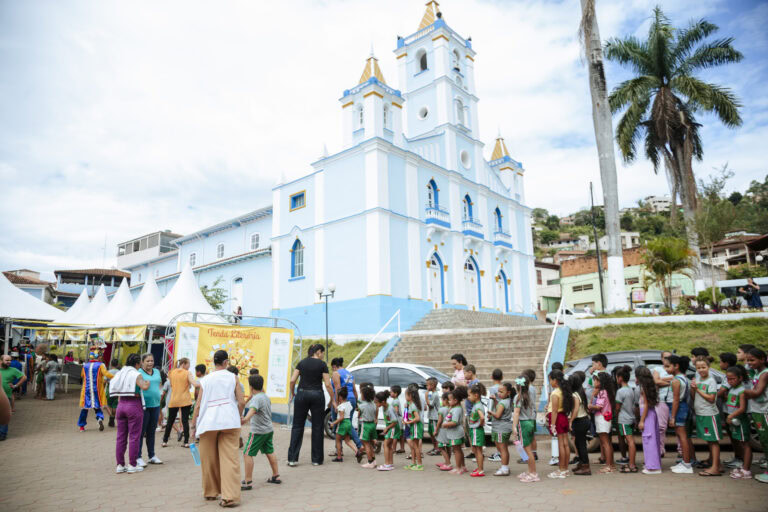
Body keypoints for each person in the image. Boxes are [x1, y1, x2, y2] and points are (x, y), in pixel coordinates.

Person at [191, 349, 245, 507]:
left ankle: (210, 492)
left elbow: (198, 405)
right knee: (230, 459)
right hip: (229, 420)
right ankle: (229, 497)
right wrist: (239, 415)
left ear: (214, 363)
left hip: (208, 422)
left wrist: (193, 426)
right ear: (226, 362)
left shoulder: (206, 380)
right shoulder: (233, 377)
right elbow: (241, 401)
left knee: (208, 459)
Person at [287, 344, 336, 467]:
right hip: (317, 395)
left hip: (302, 394)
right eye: (322, 353)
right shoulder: (322, 364)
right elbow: (328, 384)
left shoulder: (301, 363)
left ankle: (292, 459)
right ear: (318, 352)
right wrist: (332, 398)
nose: (323, 356)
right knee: (317, 427)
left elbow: (292, 380)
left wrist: (293, 393)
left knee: (297, 426)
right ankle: (316, 460)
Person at [110, 353, 151, 473]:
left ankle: (120, 465)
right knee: (134, 437)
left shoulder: (120, 372)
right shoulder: (136, 373)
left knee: (120, 437)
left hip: (121, 404)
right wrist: (147, 383)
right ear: (137, 363)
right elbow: (144, 386)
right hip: (133, 404)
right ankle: (132, 464)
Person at [241, 374, 280, 490]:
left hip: (258, 432)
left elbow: (253, 409)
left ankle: (248, 482)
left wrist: (246, 419)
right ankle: (276, 476)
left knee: (247, 454)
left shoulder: (256, 399)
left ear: (251, 387)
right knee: (269, 451)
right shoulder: (265, 397)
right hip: (268, 430)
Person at [690, 356, 722, 476]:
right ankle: (717, 464)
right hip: (701, 413)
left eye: (703, 367)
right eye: (698, 368)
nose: (701, 370)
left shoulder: (711, 381)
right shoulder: (698, 379)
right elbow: (694, 397)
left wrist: (697, 390)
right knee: (709, 440)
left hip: (710, 414)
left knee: (713, 441)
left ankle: (715, 468)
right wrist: (693, 388)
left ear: (709, 367)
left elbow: (711, 399)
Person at [742, 347, 768, 484]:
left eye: (752, 360)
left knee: (767, 440)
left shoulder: (764, 373)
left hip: (765, 411)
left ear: (763, 359)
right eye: (747, 360)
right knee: (764, 440)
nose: (749, 363)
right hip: (758, 411)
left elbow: (757, 392)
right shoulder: (757, 372)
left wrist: (743, 392)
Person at [665, 354, 694, 474]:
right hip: (681, 407)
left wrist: (672, 416)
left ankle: (687, 464)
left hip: (678, 408)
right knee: (681, 436)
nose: (666, 369)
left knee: (682, 437)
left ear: (676, 366)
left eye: (668, 366)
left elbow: (676, 399)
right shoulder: (683, 378)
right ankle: (685, 462)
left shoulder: (676, 381)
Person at [330, 358, 362, 460]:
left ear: (334, 366)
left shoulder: (336, 373)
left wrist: (336, 404)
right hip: (352, 399)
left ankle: (339, 450)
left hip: (342, 400)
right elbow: (354, 390)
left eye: (332, 368)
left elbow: (338, 389)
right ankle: (359, 446)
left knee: (338, 424)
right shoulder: (349, 374)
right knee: (348, 423)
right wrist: (356, 403)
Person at [163, 357, 199, 448]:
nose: (189, 366)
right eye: (189, 364)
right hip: (185, 400)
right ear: (184, 364)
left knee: (170, 421)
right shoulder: (187, 373)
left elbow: (172, 385)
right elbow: (194, 384)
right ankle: (186, 442)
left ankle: (165, 441)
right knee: (185, 420)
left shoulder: (171, 372)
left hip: (174, 399)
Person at [724, 365, 751, 479]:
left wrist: (731, 415)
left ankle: (746, 470)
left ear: (740, 378)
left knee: (745, 444)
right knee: (741, 443)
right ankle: (743, 466)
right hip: (735, 421)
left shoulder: (742, 391)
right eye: (728, 379)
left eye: (732, 379)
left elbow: (742, 408)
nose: (730, 381)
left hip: (741, 421)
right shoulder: (733, 389)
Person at [135, 353, 163, 467]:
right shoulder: (138, 374)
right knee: (141, 432)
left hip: (155, 405)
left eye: (152, 360)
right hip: (143, 406)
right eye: (148, 361)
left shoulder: (156, 372)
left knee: (151, 432)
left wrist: (159, 394)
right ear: (142, 362)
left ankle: (152, 456)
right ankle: (138, 457)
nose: (150, 363)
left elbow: (159, 384)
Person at [78, 348, 113, 432]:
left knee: (85, 408)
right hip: (97, 390)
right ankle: (100, 418)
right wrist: (116, 377)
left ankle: (82, 426)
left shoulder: (85, 365)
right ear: (99, 357)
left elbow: (82, 375)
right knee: (97, 406)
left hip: (86, 390)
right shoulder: (101, 365)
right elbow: (106, 374)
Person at [635, 366, 661, 474]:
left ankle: (653, 467)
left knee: (648, 440)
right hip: (652, 414)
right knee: (653, 440)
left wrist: (641, 420)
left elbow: (645, 405)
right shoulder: (651, 386)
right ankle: (653, 464)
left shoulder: (644, 388)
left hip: (647, 415)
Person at [547, 370, 573, 479]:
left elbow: (554, 410)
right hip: (563, 418)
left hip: (558, 419)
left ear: (555, 380)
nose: (550, 382)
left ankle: (561, 469)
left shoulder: (555, 393)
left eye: (550, 380)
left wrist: (552, 425)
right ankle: (565, 468)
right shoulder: (564, 391)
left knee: (560, 444)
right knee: (565, 444)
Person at [588, 372, 616, 474]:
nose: (594, 382)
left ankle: (608, 466)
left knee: (605, 443)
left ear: (601, 382)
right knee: (607, 442)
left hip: (601, 418)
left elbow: (598, 407)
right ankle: (611, 464)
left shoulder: (602, 392)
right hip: (605, 418)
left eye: (596, 380)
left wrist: (590, 406)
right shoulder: (606, 391)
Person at [568, 372, 591, 476]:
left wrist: (571, 420)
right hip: (584, 419)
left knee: (581, 445)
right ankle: (581, 464)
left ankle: (586, 467)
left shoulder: (575, 395)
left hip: (580, 421)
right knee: (578, 443)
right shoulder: (580, 391)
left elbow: (576, 410)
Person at [614, 367, 637, 473]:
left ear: (620, 378)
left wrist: (615, 417)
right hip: (631, 418)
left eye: (617, 377)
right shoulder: (631, 390)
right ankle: (631, 463)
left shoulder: (620, 391)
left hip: (624, 419)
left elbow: (617, 407)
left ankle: (632, 465)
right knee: (630, 441)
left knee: (630, 441)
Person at [488, 381, 513, 476]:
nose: (499, 393)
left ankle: (504, 468)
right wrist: (495, 401)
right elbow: (499, 408)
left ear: (508, 392)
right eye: (498, 391)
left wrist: (491, 412)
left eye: (501, 392)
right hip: (503, 427)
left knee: (502, 449)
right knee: (503, 448)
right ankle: (504, 466)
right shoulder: (506, 401)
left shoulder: (503, 403)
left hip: (501, 428)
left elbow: (498, 415)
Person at [442, 387, 468, 475]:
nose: (448, 402)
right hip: (455, 433)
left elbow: (454, 422)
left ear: (455, 400)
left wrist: (445, 424)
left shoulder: (456, 409)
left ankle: (458, 468)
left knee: (456, 451)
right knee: (459, 450)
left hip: (455, 433)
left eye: (449, 400)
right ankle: (463, 466)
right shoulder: (455, 408)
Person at [0, 355, 26, 440]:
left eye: (10, 360)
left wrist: (16, 385)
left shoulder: (13, 370)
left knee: (4, 416)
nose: (9, 362)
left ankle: (2, 434)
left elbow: (24, 377)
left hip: (6, 397)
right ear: (1, 361)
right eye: (7, 360)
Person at [330, 387, 358, 462]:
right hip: (348, 422)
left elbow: (341, 417)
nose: (336, 398)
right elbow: (341, 411)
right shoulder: (348, 404)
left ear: (340, 397)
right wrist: (336, 406)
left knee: (338, 440)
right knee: (347, 440)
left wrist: (333, 423)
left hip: (343, 424)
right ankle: (357, 451)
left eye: (337, 396)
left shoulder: (341, 406)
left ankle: (339, 457)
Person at [376, 390, 401, 471]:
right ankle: (390, 464)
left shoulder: (389, 409)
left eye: (377, 402)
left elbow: (394, 422)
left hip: (393, 428)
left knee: (385, 445)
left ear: (383, 401)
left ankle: (387, 464)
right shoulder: (384, 407)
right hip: (391, 427)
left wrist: (387, 428)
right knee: (388, 446)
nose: (376, 404)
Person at [403, 385, 424, 471]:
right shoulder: (410, 404)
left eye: (406, 395)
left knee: (415, 446)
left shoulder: (413, 406)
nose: (405, 397)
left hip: (416, 426)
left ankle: (419, 464)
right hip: (413, 426)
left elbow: (417, 418)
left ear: (410, 396)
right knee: (413, 447)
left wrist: (408, 422)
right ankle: (413, 463)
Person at [467, 383, 486, 477]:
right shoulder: (476, 404)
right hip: (475, 430)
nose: (468, 397)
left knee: (478, 451)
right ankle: (479, 467)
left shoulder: (478, 406)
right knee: (476, 450)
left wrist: (481, 424)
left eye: (469, 395)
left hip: (476, 431)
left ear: (476, 395)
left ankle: (480, 470)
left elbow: (482, 417)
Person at [521, 368, 539, 463]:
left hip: (526, 415)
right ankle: (534, 453)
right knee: (532, 435)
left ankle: (527, 455)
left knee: (526, 437)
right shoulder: (533, 388)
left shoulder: (527, 388)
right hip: (533, 414)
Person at [357, 385, 378, 468]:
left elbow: (359, 414)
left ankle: (370, 462)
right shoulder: (374, 404)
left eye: (361, 394)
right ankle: (374, 460)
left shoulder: (361, 406)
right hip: (372, 424)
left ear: (364, 396)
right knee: (370, 444)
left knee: (366, 444)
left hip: (365, 425)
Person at [435, 392, 452, 471]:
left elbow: (439, 421)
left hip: (442, 430)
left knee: (441, 447)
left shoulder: (441, 409)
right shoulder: (451, 409)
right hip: (449, 430)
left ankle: (448, 463)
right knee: (448, 447)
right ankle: (447, 462)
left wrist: (436, 430)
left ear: (445, 400)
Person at [425, 377, 441, 456]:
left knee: (435, 433)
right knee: (430, 432)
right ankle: (435, 447)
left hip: (435, 417)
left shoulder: (435, 394)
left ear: (432, 385)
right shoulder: (433, 394)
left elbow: (430, 405)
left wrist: (426, 396)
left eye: (427, 385)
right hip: (431, 416)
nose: (426, 387)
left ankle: (438, 448)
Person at [104, 359, 121, 427]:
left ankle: (111, 416)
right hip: (118, 390)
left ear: (111, 364)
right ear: (117, 365)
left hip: (109, 390)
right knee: (115, 404)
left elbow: (104, 381)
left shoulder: (108, 372)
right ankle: (113, 416)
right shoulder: (120, 372)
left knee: (107, 404)